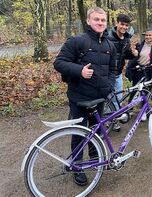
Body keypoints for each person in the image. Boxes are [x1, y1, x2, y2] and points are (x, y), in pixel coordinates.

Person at [54, 7, 116, 186]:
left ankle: (95, 159)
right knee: (79, 133)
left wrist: (109, 86)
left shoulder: (110, 45)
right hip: (79, 97)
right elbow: (59, 63)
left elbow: (113, 69)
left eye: (103, 20)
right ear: (88, 21)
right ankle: (77, 167)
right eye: (96, 19)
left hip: (100, 98)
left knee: (96, 131)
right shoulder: (77, 41)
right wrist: (79, 71)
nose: (100, 23)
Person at [125, 29, 152, 121]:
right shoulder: (139, 46)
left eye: (150, 35)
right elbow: (132, 57)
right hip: (138, 71)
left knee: (147, 92)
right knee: (135, 90)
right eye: (146, 35)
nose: (148, 37)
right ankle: (129, 110)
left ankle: (143, 111)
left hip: (150, 72)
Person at [108, 14, 138, 131]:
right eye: (122, 24)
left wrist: (133, 54)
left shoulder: (126, 39)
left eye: (126, 25)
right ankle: (103, 121)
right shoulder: (108, 37)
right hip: (107, 74)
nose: (124, 27)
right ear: (117, 23)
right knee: (106, 99)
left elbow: (125, 55)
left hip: (118, 74)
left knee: (117, 99)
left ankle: (113, 121)